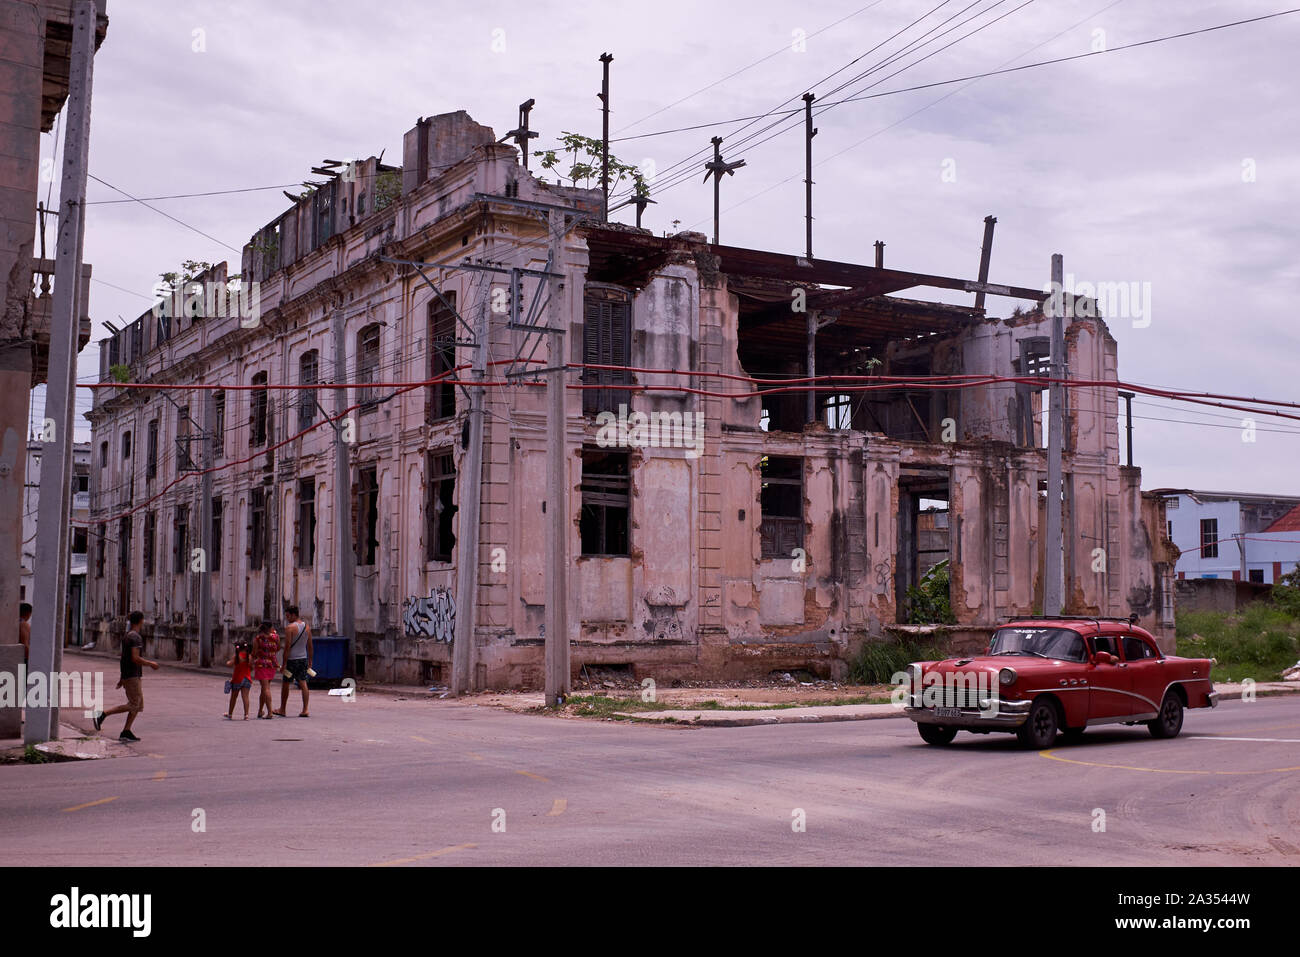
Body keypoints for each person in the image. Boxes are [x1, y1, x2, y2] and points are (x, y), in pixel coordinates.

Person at [92, 611, 158, 742]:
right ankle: (102, 714)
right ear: (141, 621)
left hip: (130, 675)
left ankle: (126, 731)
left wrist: (122, 677)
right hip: (132, 675)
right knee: (134, 704)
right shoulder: (135, 637)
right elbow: (135, 658)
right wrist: (150, 664)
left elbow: (123, 659)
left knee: (138, 705)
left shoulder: (127, 636)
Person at [275, 605, 313, 718]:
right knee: (303, 682)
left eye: (288, 616)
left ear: (293, 615)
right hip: (303, 658)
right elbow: (310, 646)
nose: (287, 618)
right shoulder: (307, 627)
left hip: (292, 660)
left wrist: (284, 663)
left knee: (286, 683)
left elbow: (287, 647)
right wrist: (310, 660)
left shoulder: (290, 628)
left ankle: (282, 709)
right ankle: (305, 709)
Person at [251, 621, 280, 719]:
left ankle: (269, 712)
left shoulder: (258, 639)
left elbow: (254, 653)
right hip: (272, 664)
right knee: (264, 688)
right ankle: (260, 711)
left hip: (261, 665)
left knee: (265, 688)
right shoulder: (276, 637)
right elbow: (278, 648)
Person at [224, 639, 253, 720]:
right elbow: (251, 667)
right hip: (247, 678)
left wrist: (228, 661)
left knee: (233, 697)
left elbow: (229, 664)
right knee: (245, 697)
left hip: (237, 679)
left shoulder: (237, 656)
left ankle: (230, 714)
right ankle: (246, 715)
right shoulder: (249, 657)